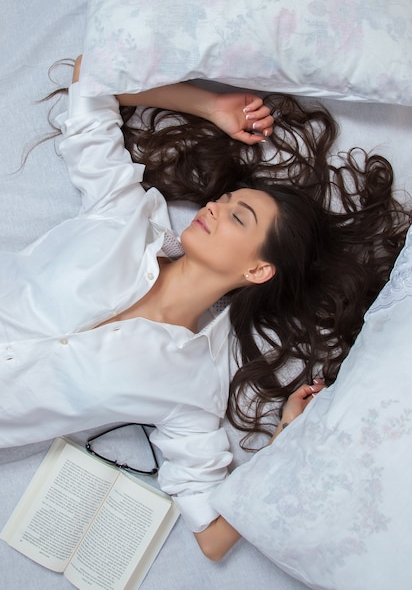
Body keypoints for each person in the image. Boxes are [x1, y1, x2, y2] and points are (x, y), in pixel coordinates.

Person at [0, 55, 409, 560]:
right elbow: (92, 77)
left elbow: (214, 537)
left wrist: (285, 436)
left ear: (259, 270)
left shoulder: (189, 386)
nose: (213, 206)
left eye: (238, 216)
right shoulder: (124, 212)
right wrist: (210, 104)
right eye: (226, 199)